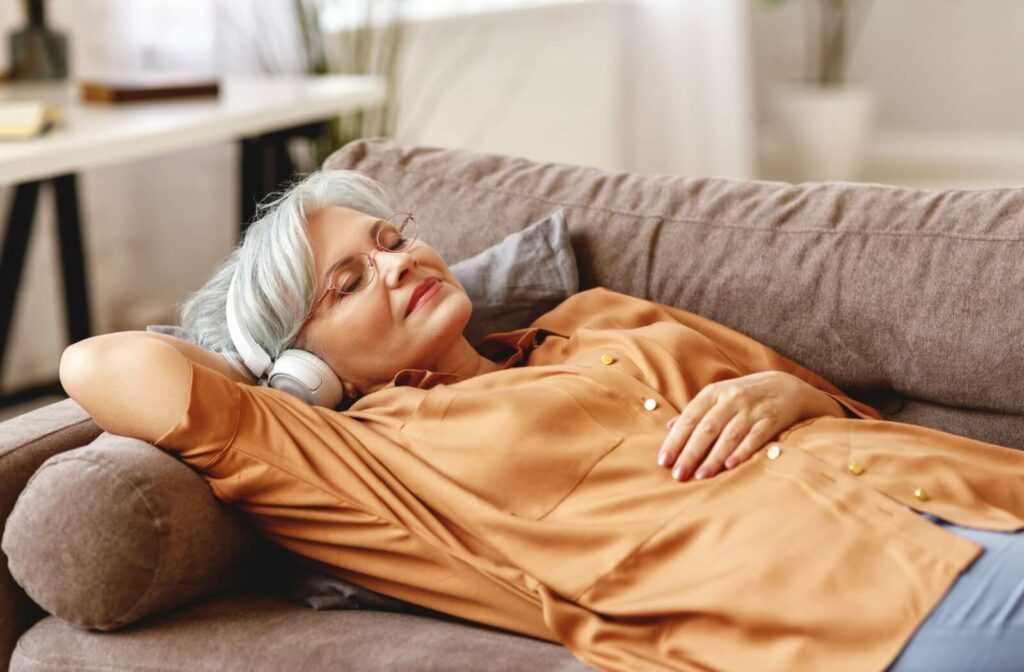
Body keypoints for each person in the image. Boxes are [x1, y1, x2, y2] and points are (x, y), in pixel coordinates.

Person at [59, 170, 1024, 672]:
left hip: (975, 493)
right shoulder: (361, 461)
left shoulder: (598, 318)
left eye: (390, 241)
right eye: (347, 284)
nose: (396, 265)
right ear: (306, 360)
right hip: (865, 609)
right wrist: (283, 380)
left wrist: (791, 395)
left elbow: (832, 405)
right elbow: (103, 365)